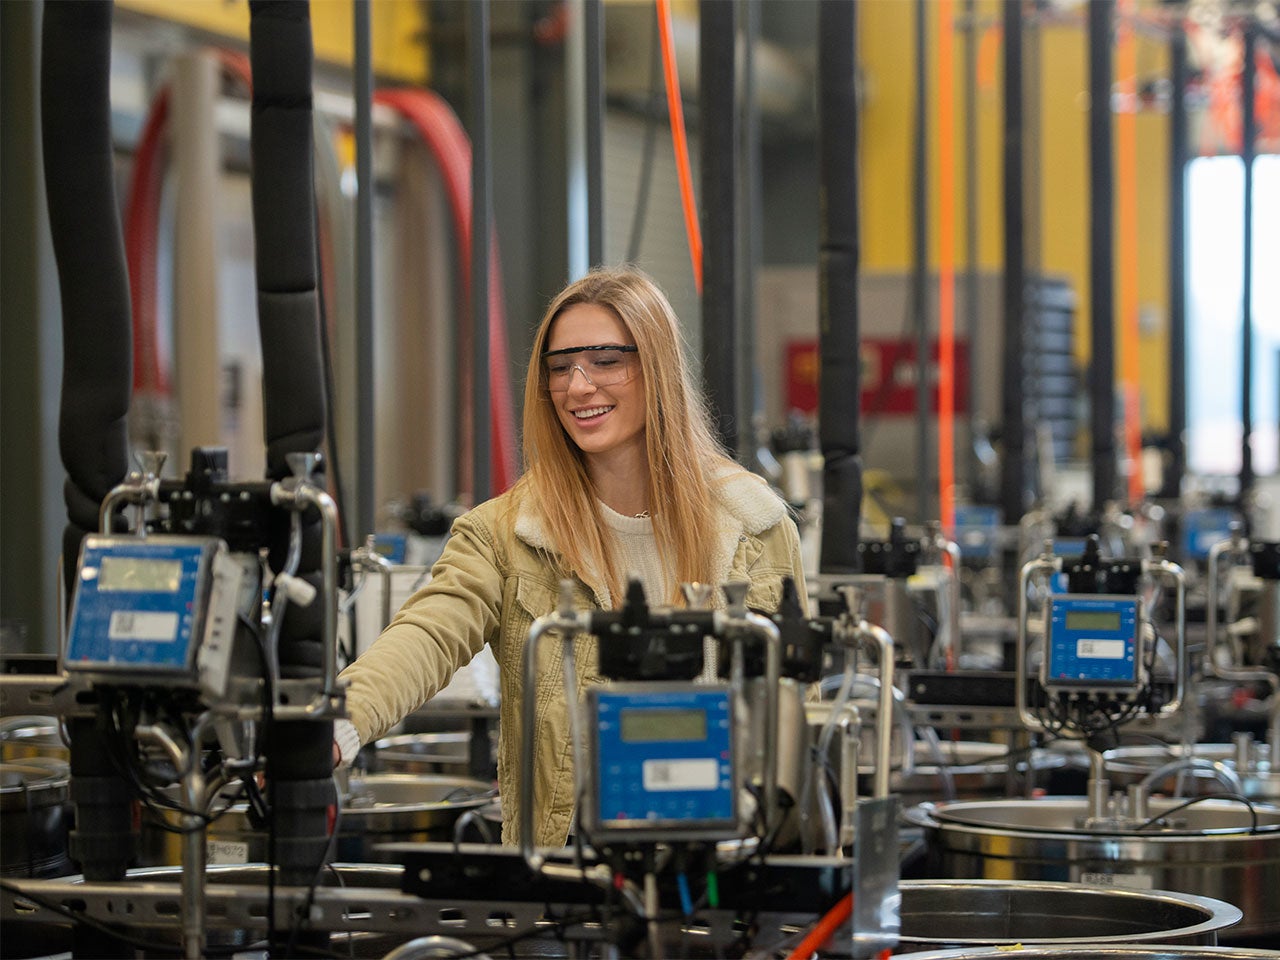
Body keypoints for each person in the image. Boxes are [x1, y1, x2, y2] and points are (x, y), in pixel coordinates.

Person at [334, 266, 807, 846]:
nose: (578, 387)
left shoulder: (754, 526)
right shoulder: (506, 536)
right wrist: (338, 725)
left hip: (727, 883)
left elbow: (792, 725)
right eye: (560, 368)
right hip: (567, 893)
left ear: (656, 366)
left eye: (606, 360)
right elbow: (428, 634)